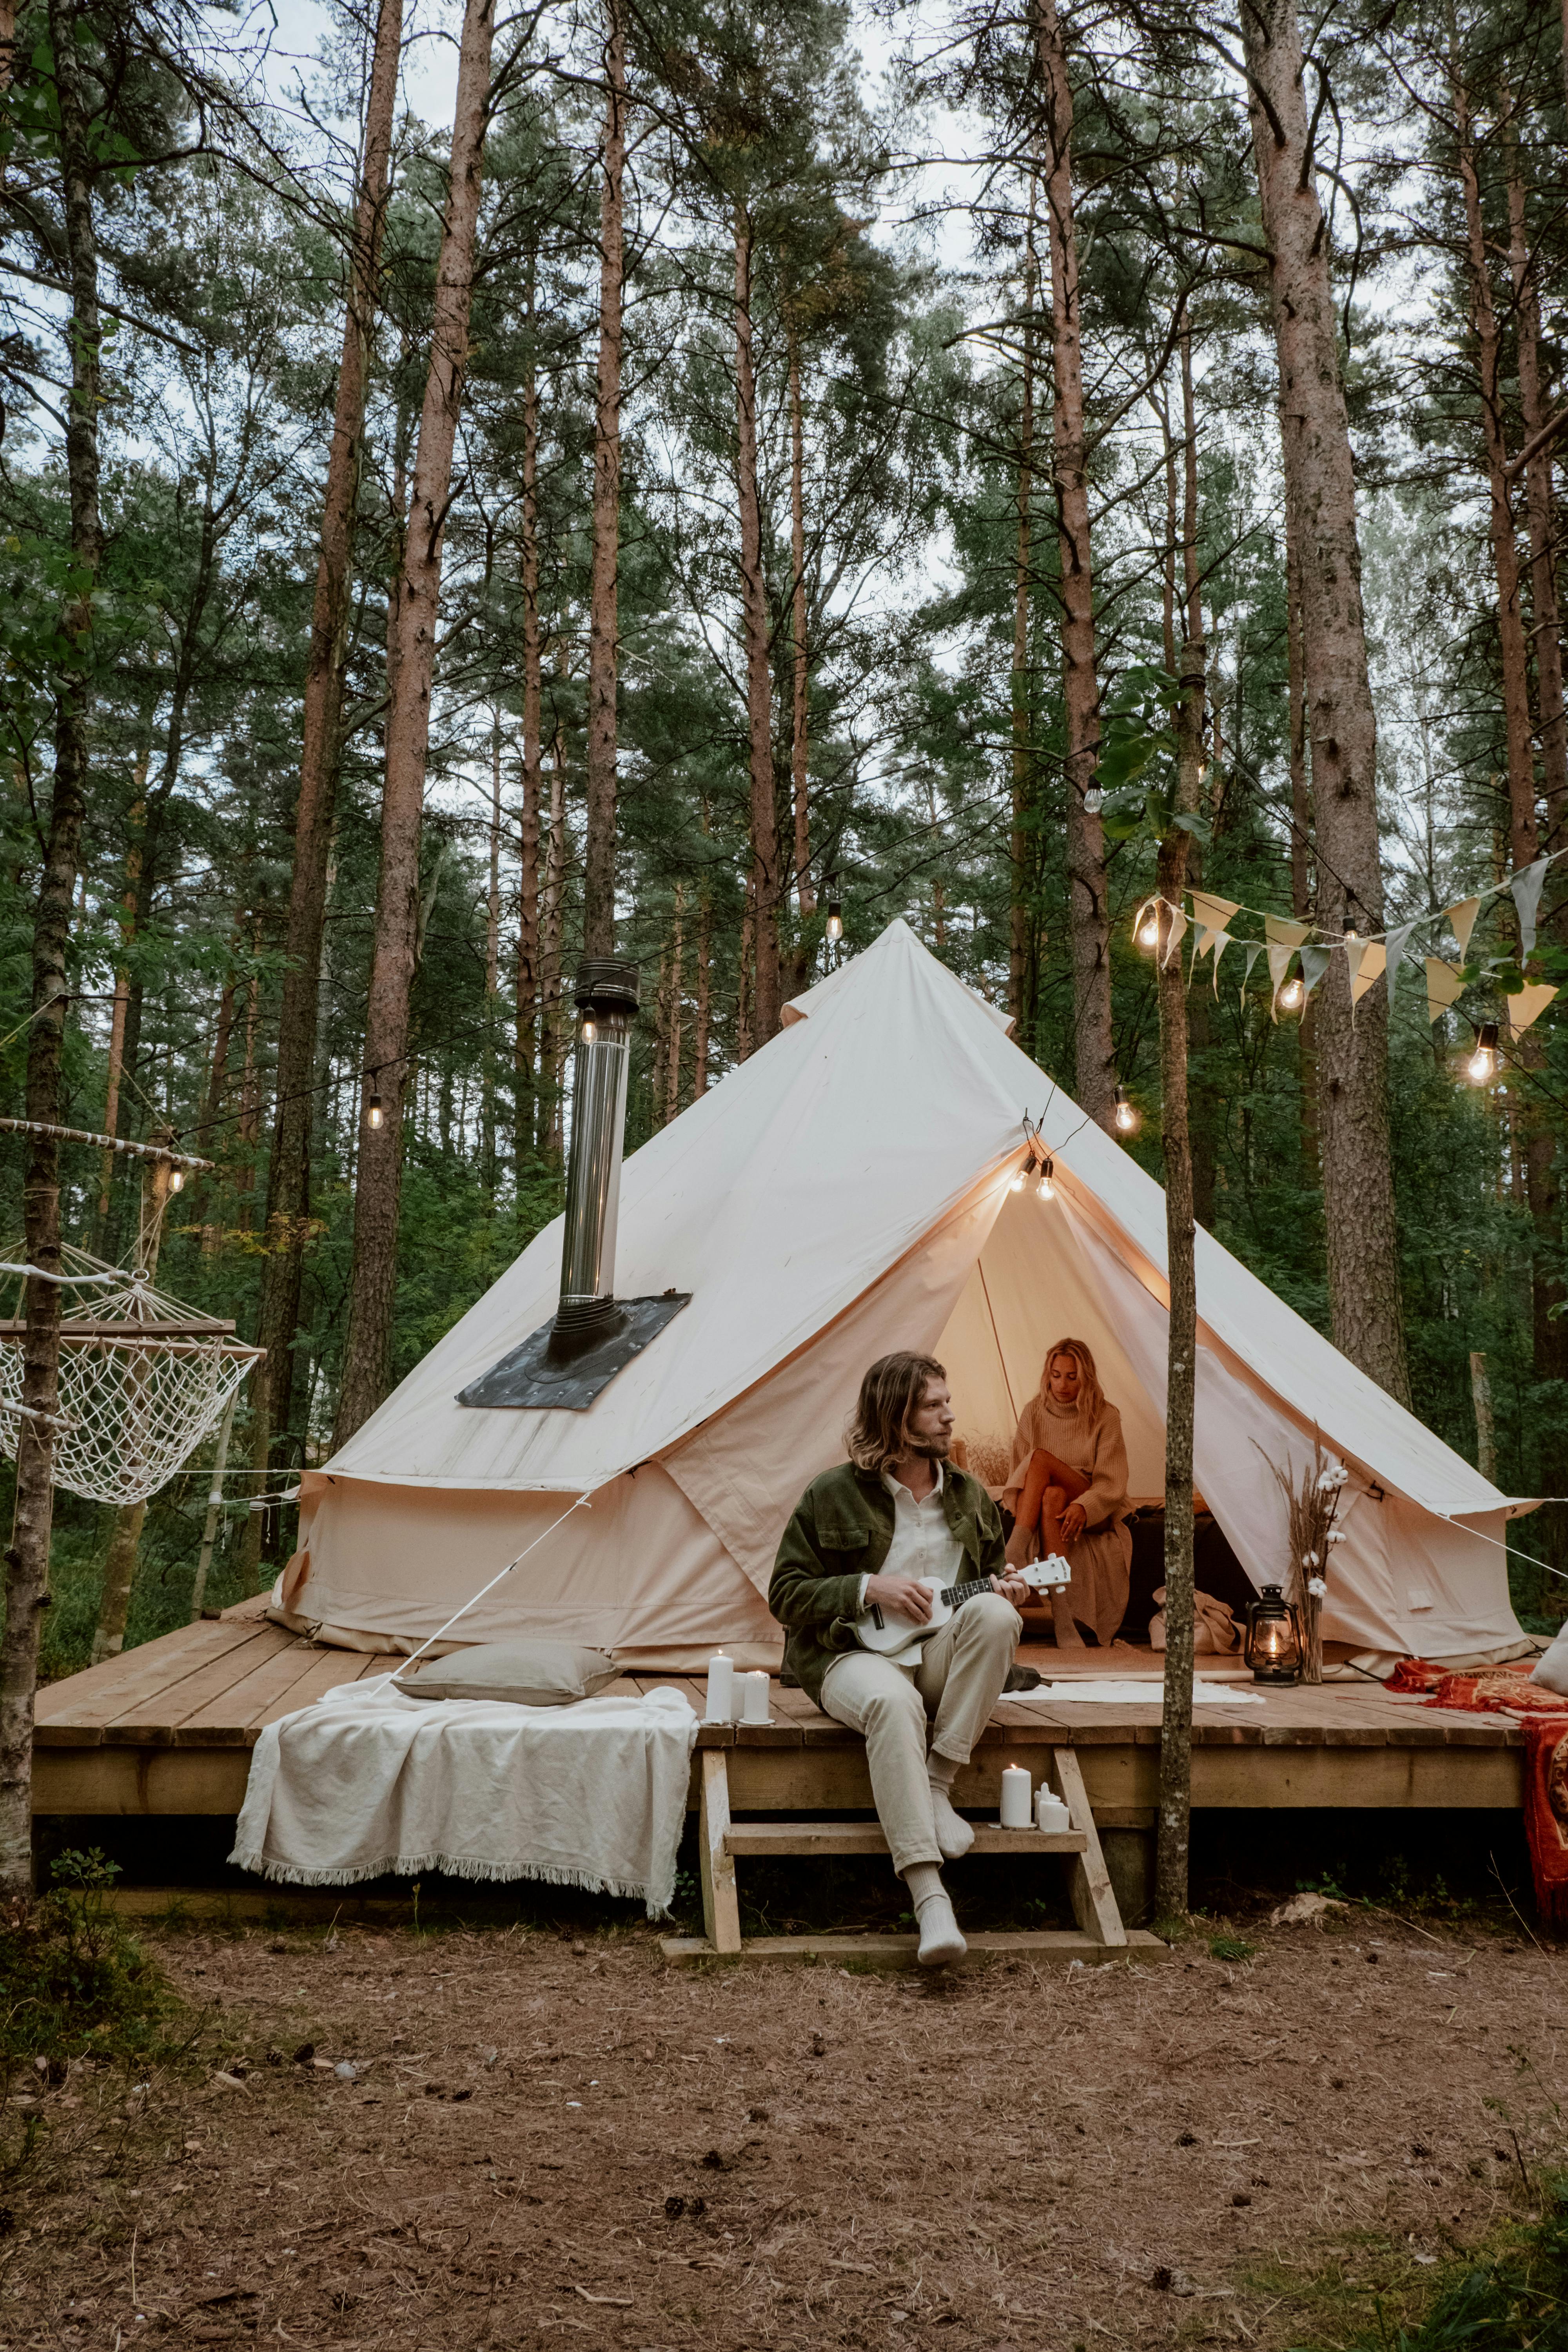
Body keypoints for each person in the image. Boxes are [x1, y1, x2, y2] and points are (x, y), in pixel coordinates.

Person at [769, 1352, 1030, 1969]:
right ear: (897, 1416)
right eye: (934, 1405)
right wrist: (867, 1588)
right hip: (848, 1653)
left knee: (998, 1615)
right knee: (893, 1702)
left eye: (947, 1402)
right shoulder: (831, 1493)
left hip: (936, 1654)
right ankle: (929, 1897)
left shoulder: (969, 1495)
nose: (950, 1416)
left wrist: (1009, 1586)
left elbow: (993, 1578)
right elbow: (785, 1594)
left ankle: (938, 1783)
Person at [1001, 1338, 1132, 1650]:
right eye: (1056, 1375)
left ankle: (1014, 1550)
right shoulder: (1034, 1412)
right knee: (1051, 1496)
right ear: (1048, 1375)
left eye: (1072, 1377)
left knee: (1040, 1458)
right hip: (1054, 1502)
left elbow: (1112, 1482)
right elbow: (1020, 1476)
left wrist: (1086, 1505)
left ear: (1086, 1376)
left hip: (1096, 1507)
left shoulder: (1106, 1415)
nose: (1062, 1384)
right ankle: (1062, 1616)